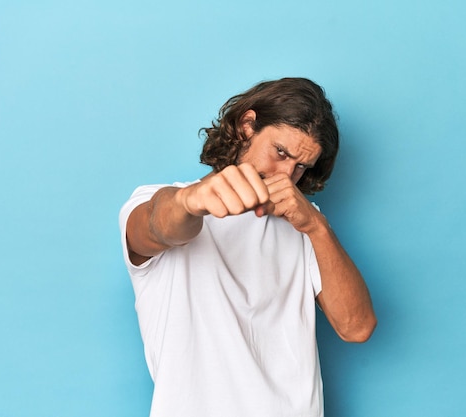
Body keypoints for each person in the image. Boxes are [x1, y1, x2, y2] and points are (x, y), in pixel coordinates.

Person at [119, 77, 377, 417]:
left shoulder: (305, 225)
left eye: (300, 166)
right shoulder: (160, 200)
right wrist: (190, 201)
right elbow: (157, 224)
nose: (286, 174)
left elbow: (356, 327)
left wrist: (315, 226)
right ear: (246, 127)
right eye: (280, 152)